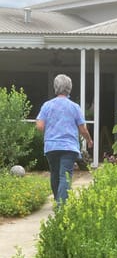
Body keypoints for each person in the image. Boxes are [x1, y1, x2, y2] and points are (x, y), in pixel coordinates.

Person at [36, 74, 93, 205]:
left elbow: (40, 126)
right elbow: (82, 129)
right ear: (69, 88)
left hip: (51, 146)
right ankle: (61, 205)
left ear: (56, 87)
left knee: (55, 174)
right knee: (65, 176)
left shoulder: (47, 105)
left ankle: (58, 201)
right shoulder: (74, 107)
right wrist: (89, 140)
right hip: (69, 147)